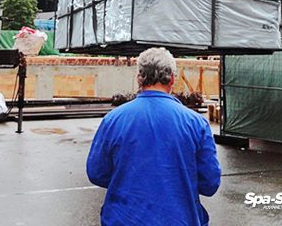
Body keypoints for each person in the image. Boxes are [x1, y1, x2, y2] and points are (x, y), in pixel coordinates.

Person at [86, 47, 221, 226]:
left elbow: (97, 173)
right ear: (172, 78)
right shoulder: (196, 123)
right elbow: (210, 184)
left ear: (139, 78)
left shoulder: (113, 119)